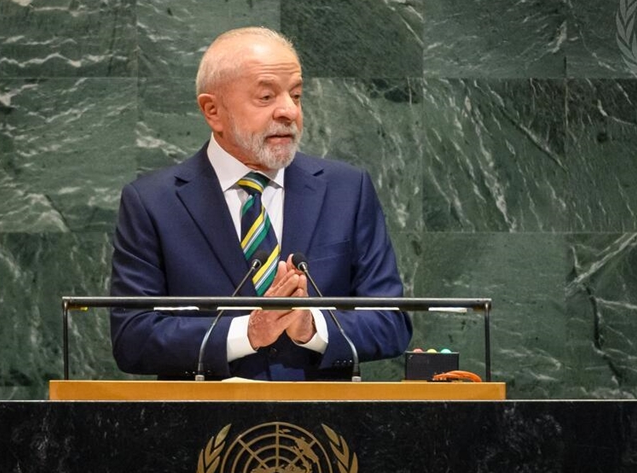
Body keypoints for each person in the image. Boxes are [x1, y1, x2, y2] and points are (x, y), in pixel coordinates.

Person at [109, 27, 411, 380]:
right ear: (213, 111)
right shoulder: (152, 202)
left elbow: (391, 322)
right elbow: (132, 338)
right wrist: (248, 332)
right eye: (266, 97)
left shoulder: (347, 190)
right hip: (204, 413)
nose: (289, 111)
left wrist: (312, 327)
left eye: (296, 95)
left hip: (321, 412)